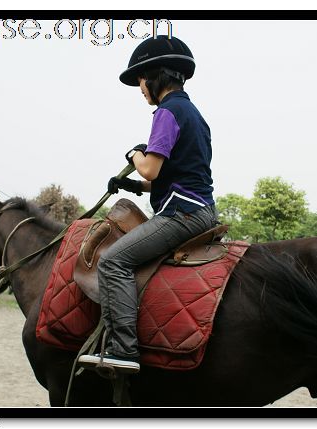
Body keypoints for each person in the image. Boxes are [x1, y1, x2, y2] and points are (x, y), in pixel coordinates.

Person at [79, 35, 218, 373]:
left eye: (141, 80)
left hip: (182, 214)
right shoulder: (192, 113)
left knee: (112, 262)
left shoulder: (168, 112)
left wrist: (134, 154)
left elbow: (150, 166)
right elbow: (160, 178)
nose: (140, 87)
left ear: (157, 76)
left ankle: (123, 350)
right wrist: (129, 184)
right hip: (196, 207)